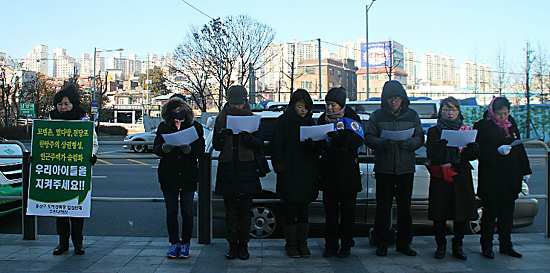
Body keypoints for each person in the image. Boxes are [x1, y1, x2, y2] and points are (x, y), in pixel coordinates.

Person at [365, 80, 424, 257]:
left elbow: (420, 136)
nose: (394, 101)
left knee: (405, 208)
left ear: (403, 99)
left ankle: (404, 243)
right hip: (384, 168)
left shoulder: (412, 115)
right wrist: (383, 144)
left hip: (406, 168)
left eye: (397, 98)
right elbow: (368, 137)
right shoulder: (377, 116)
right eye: (390, 98)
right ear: (385, 99)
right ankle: (381, 242)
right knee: (383, 207)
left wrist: (410, 143)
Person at [474, 97, 531, 259]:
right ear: (493, 112)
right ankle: (487, 245)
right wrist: (497, 151)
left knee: (507, 213)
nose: (503, 117)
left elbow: (519, 147)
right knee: (490, 212)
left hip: (510, 176)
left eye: (506, 113)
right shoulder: (482, 126)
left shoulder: (510, 123)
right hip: (492, 177)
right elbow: (480, 152)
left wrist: (525, 170)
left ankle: (506, 244)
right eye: (500, 114)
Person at [270, 89, 323, 258]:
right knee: (290, 208)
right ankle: (291, 244)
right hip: (289, 171)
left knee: (304, 209)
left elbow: (319, 149)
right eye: (300, 106)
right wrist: (280, 167)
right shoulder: (283, 122)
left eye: (306, 107)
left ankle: (303, 243)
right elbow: (276, 146)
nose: (303, 111)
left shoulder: (310, 123)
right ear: (293, 105)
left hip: (307, 172)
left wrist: (313, 146)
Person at [426, 97, 479, 260]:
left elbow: (471, 156)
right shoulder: (435, 130)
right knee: (440, 212)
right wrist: (440, 146)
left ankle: (458, 245)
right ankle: (440, 245)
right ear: (441, 111)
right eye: (446, 110)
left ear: (458, 112)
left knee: (460, 211)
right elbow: (431, 154)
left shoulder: (465, 129)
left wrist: (473, 149)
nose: (450, 113)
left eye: (453, 110)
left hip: (460, 174)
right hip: (441, 174)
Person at [213, 85, 263, 260]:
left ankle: (244, 245)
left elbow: (260, 144)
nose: (236, 107)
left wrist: (250, 140)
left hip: (247, 169)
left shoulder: (252, 118)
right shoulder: (220, 119)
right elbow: (216, 145)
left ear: (245, 102)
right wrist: (221, 136)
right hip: (228, 169)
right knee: (231, 212)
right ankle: (232, 246)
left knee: (245, 212)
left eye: (239, 104)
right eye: (233, 103)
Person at [49, 83, 98, 255]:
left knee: (77, 208)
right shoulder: (50, 120)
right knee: (60, 209)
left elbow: (93, 142)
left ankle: (78, 242)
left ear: (74, 104)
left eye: (66, 104)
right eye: (60, 104)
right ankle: (62, 243)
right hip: (58, 172)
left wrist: (92, 155)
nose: (63, 107)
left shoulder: (83, 121)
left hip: (77, 172)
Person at [153, 96, 205, 259]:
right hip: (169, 175)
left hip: (188, 175)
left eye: (180, 109)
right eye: (174, 110)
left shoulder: (195, 127)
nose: (177, 113)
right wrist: (164, 148)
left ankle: (186, 244)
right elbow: (156, 148)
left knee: (187, 212)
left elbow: (200, 149)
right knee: (171, 212)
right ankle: (174, 243)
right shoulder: (164, 126)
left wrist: (189, 149)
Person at [318, 87, 364, 259]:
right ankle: (330, 245)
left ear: (341, 105)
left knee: (347, 213)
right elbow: (320, 141)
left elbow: (358, 140)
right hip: (329, 174)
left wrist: (341, 137)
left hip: (347, 174)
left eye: (333, 105)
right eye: (328, 104)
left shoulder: (352, 118)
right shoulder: (323, 119)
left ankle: (346, 244)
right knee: (330, 214)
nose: (329, 108)